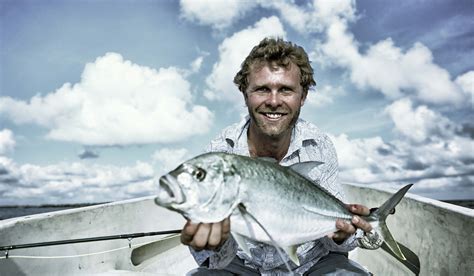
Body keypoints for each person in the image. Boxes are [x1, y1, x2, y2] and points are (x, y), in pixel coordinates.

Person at [182, 37, 376, 275]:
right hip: (244, 265)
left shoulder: (318, 145)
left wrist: (343, 235)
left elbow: (338, 237)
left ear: (302, 97)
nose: (273, 101)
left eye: (285, 89)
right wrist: (211, 242)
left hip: (310, 263)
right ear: (245, 94)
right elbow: (212, 258)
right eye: (262, 89)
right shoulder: (220, 154)